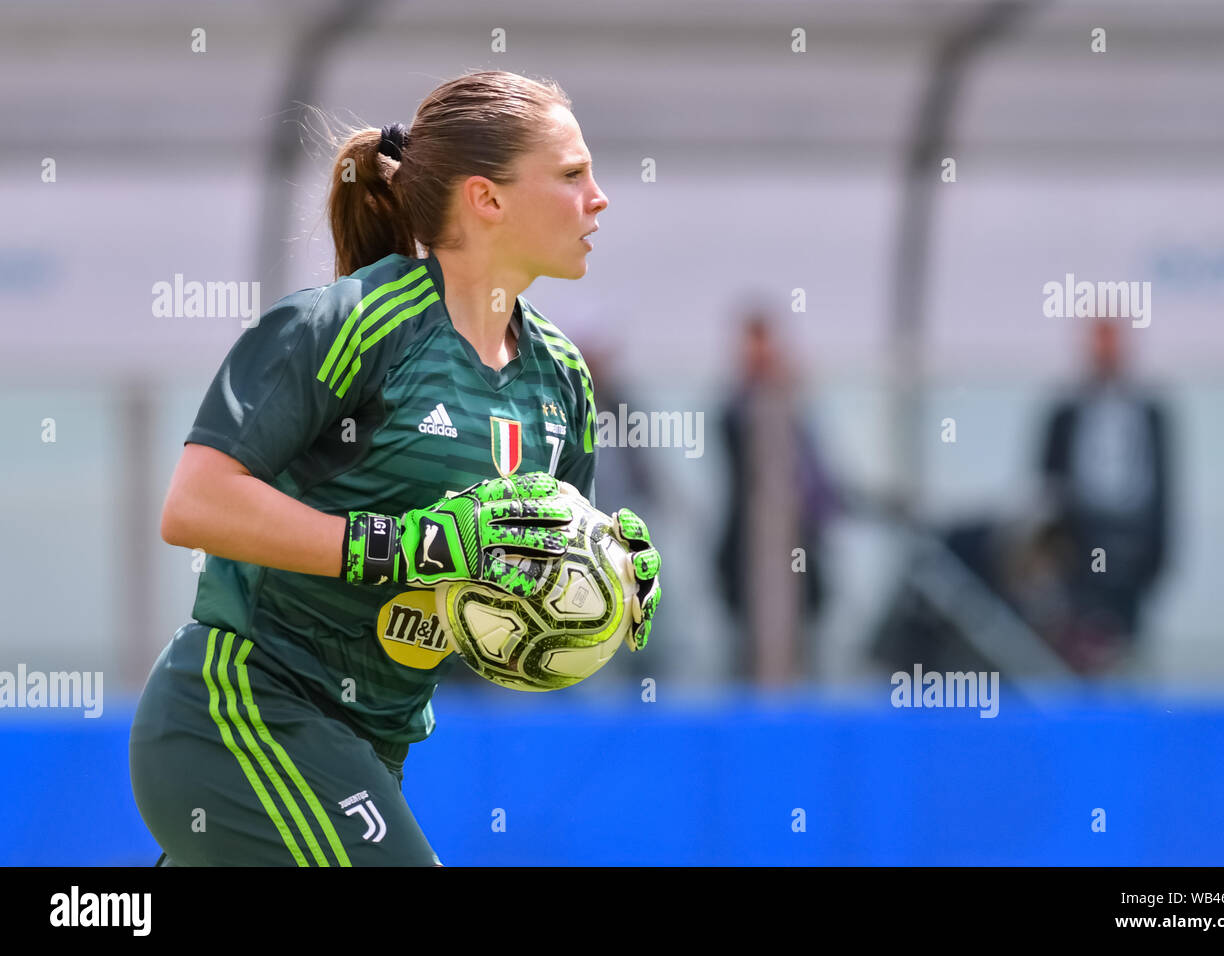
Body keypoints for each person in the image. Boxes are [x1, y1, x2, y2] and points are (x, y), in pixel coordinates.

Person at [129, 70, 662, 866]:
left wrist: (604, 588)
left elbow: (509, 594)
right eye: (572, 174)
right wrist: (402, 546)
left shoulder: (561, 377)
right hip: (242, 711)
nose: (600, 198)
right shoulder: (352, 322)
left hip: (372, 744)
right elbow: (196, 506)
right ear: (487, 199)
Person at [1040, 316, 1170, 673]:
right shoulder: (1065, 411)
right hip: (1080, 542)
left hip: (1133, 542)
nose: (1105, 353)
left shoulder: (1150, 410)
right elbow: (1046, 485)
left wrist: (1161, 553)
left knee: (1125, 645)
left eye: (1111, 343)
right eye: (1098, 343)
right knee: (1078, 643)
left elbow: (1166, 490)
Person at [715, 311, 839, 684]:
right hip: (747, 553)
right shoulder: (738, 412)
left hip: (797, 549)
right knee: (749, 649)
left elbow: (816, 482)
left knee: (802, 643)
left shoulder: (794, 411)